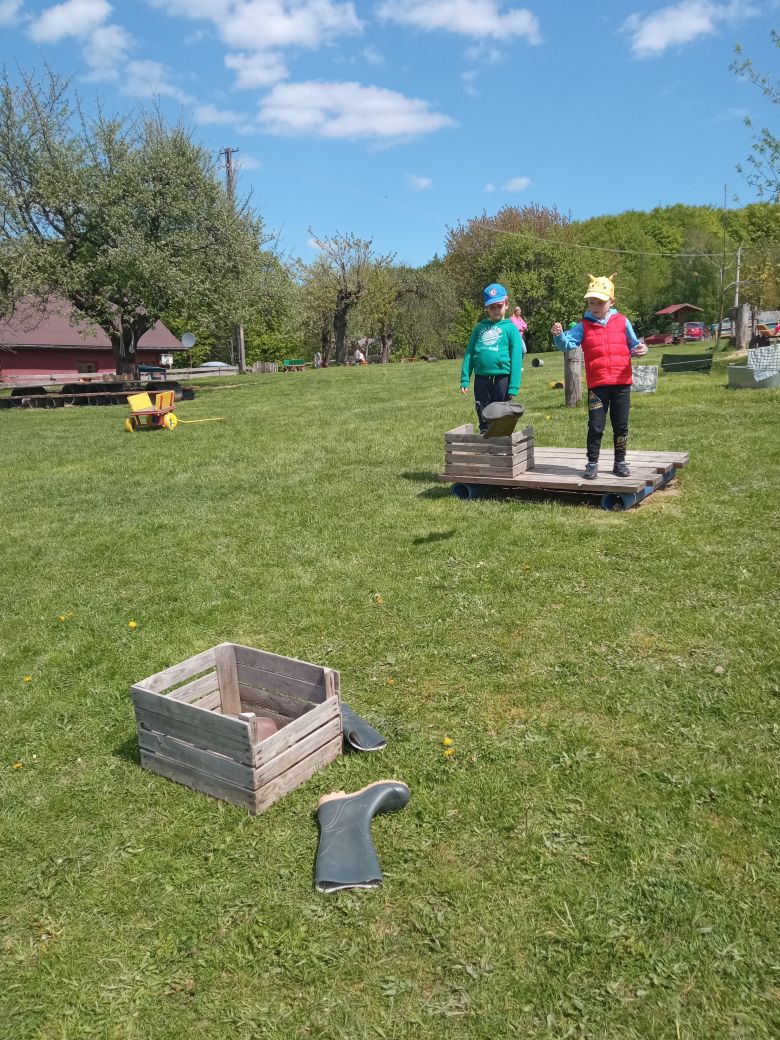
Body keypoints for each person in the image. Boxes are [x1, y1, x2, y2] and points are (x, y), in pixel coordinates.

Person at [550, 273, 647, 479]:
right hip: (597, 385)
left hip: (621, 384)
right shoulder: (583, 326)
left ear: (611, 301)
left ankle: (620, 462)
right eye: (591, 302)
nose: (594, 306)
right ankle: (592, 463)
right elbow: (567, 345)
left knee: (621, 426)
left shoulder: (622, 322)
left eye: (600, 302)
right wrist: (558, 336)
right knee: (595, 426)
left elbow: (634, 345)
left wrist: (641, 349)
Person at [460, 283, 524, 433]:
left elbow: (516, 359)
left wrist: (514, 386)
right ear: (486, 308)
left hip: (502, 377)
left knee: (501, 409)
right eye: (491, 307)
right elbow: (469, 353)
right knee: (482, 406)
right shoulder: (479, 328)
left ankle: (500, 434)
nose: (495, 310)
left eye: (499, 306)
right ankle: (485, 432)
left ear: (506, 304)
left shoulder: (511, 329)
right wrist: (465, 378)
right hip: (481, 377)